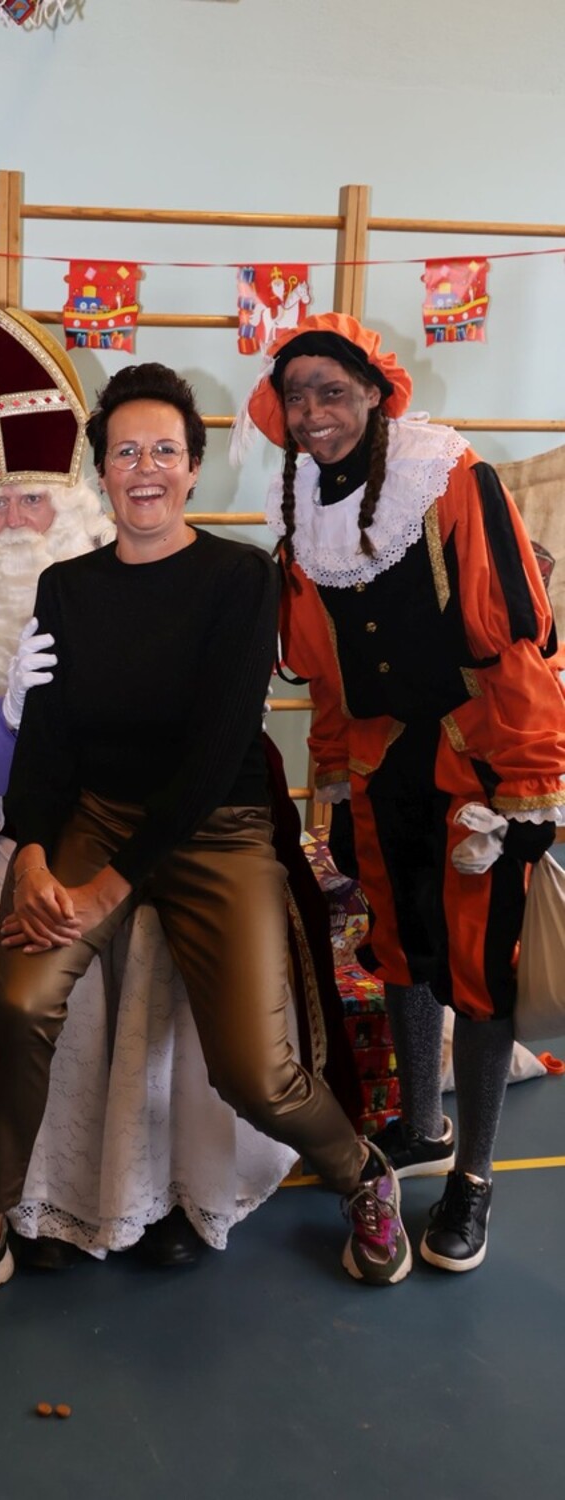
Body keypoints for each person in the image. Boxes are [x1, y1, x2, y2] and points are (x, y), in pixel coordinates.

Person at [0, 358, 412, 1335]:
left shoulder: (241, 579)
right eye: (126, 453)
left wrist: (106, 890)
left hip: (220, 830)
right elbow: (47, 742)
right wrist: (33, 854)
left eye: (165, 450)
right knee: (17, 1003)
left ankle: (360, 1172)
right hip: (95, 818)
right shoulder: (68, 589)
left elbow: (214, 755)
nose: (146, 469)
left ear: (193, 467)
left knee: (253, 1070)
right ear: (101, 472)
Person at [0, 298, 309, 1271]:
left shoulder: (199, 578)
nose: (16, 522)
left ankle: (166, 1195)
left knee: (159, 969)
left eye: (33, 501)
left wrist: (105, 872)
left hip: (166, 828)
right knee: (10, 964)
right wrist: (1, 731)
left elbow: (217, 749)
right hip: (5, 835)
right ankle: (36, 1208)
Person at [236, 311, 565, 1272]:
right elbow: (326, 675)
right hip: (384, 766)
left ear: (377, 394)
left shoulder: (449, 477)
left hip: (479, 760)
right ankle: (423, 1126)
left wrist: (532, 785)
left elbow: (515, 643)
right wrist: (336, 780)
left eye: (333, 392)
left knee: (481, 964)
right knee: (401, 947)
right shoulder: (300, 507)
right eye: (297, 395)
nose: (313, 412)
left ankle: (475, 1176)